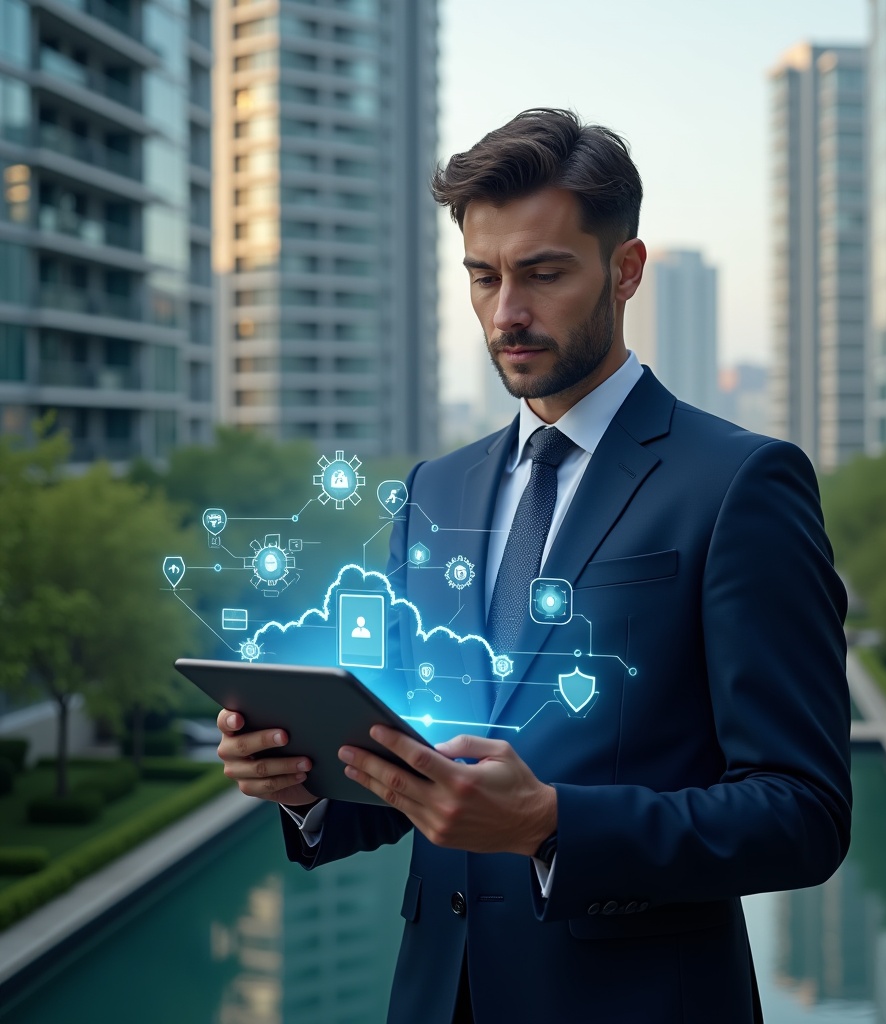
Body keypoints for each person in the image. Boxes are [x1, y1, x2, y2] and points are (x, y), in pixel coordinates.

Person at [217, 108, 852, 1024]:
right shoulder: (436, 489)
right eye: (484, 277)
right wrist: (304, 782)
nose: (507, 312)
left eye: (543, 273)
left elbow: (802, 814)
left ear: (625, 271)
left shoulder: (742, 482)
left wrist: (552, 824)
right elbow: (414, 765)